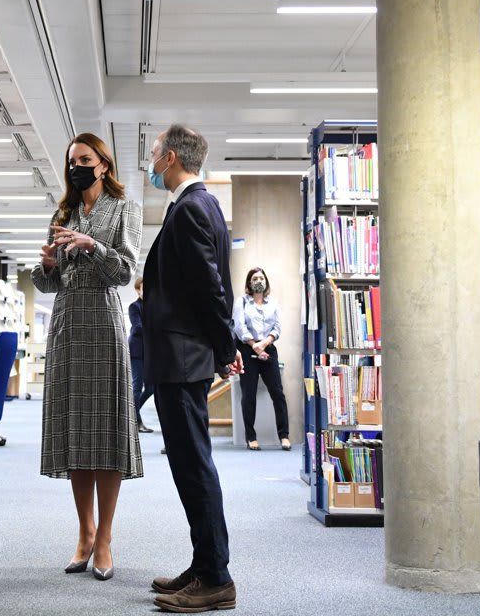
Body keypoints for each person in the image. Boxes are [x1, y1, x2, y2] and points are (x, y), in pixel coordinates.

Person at [32, 132, 143, 582]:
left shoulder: (124, 209)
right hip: (67, 324)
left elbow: (125, 270)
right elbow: (46, 285)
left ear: (103, 164)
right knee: (77, 429)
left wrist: (91, 245)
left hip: (103, 318)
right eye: (71, 160)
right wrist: (49, 266)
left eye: (85, 158)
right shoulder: (62, 213)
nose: (77, 166)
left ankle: (105, 538)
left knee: (105, 432)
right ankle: (84, 530)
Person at [141, 124, 241, 613]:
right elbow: (208, 283)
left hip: (183, 360)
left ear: (172, 156)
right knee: (188, 465)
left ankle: (216, 577)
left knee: (195, 466)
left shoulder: (190, 209)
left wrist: (226, 348)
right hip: (183, 355)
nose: (152, 159)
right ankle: (204, 565)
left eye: (155, 152)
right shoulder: (198, 205)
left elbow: (210, 289)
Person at [233, 268, 290, 451]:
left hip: (268, 349)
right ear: (249, 283)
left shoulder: (272, 304)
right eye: (255, 278)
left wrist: (264, 344)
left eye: (261, 278)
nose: (258, 280)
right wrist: (254, 345)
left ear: (266, 281)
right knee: (248, 395)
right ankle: (251, 437)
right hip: (248, 350)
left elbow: (277, 327)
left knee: (278, 393)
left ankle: (284, 436)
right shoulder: (241, 302)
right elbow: (239, 327)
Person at [128, 277, 153, 433]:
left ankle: (131, 414)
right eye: (144, 288)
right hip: (137, 350)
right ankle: (136, 421)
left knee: (151, 388)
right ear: (138, 290)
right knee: (137, 386)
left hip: (150, 351)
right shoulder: (134, 306)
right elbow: (137, 328)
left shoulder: (154, 306)